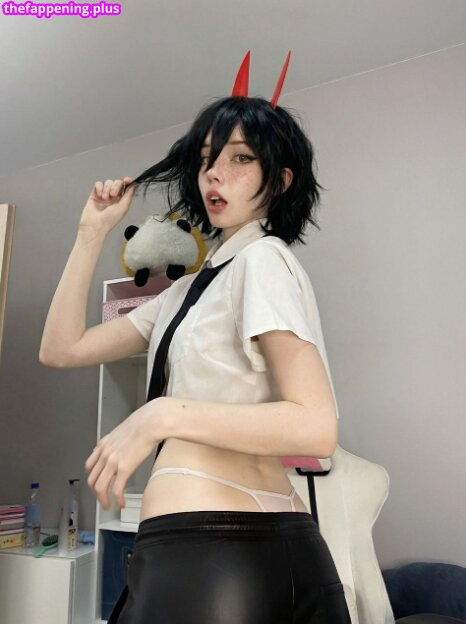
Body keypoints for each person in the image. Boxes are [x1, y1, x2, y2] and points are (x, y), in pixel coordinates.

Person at [40, 53, 351, 623]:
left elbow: (317, 427)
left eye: (240, 158)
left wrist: (158, 416)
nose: (214, 174)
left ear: (280, 180)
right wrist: (90, 233)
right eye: (207, 159)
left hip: (221, 550)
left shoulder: (262, 258)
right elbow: (61, 349)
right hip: (227, 550)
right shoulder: (184, 292)